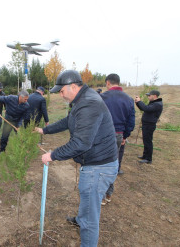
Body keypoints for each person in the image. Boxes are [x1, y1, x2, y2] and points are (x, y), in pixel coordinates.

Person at [34, 70, 118, 247]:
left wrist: (52, 155)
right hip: (98, 162)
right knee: (87, 202)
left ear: (73, 86)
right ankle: (81, 218)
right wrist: (45, 130)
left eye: (62, 91)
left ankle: (84, 224)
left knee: (90, 221)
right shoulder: (82, 99)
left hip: (98, 168)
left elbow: (81, 143)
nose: (60, 95)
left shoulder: (88, 104)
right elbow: (68, 121)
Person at [100, 73, 135, 205]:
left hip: (103, 134)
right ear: (118, 83)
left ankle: (102, 195)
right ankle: (109, 193)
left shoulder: (102, 97)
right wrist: (125, 136)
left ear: (108, 83)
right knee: (114, 163)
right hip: (119, 135)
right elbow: (131, 122)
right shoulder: (128, 99)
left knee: (102, 163)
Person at [135, 90, 163, 164]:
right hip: (146, 124)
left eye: (149, 95)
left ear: (155, 96)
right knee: (145, 140)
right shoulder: (154, 103)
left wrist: (140, 101)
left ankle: (148, 159)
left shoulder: (157, 104)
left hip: (149, 125)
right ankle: (145, 155)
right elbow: (143, 108)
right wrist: (137, 103)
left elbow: (146, 109)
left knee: (148, 141)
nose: (148, 97)